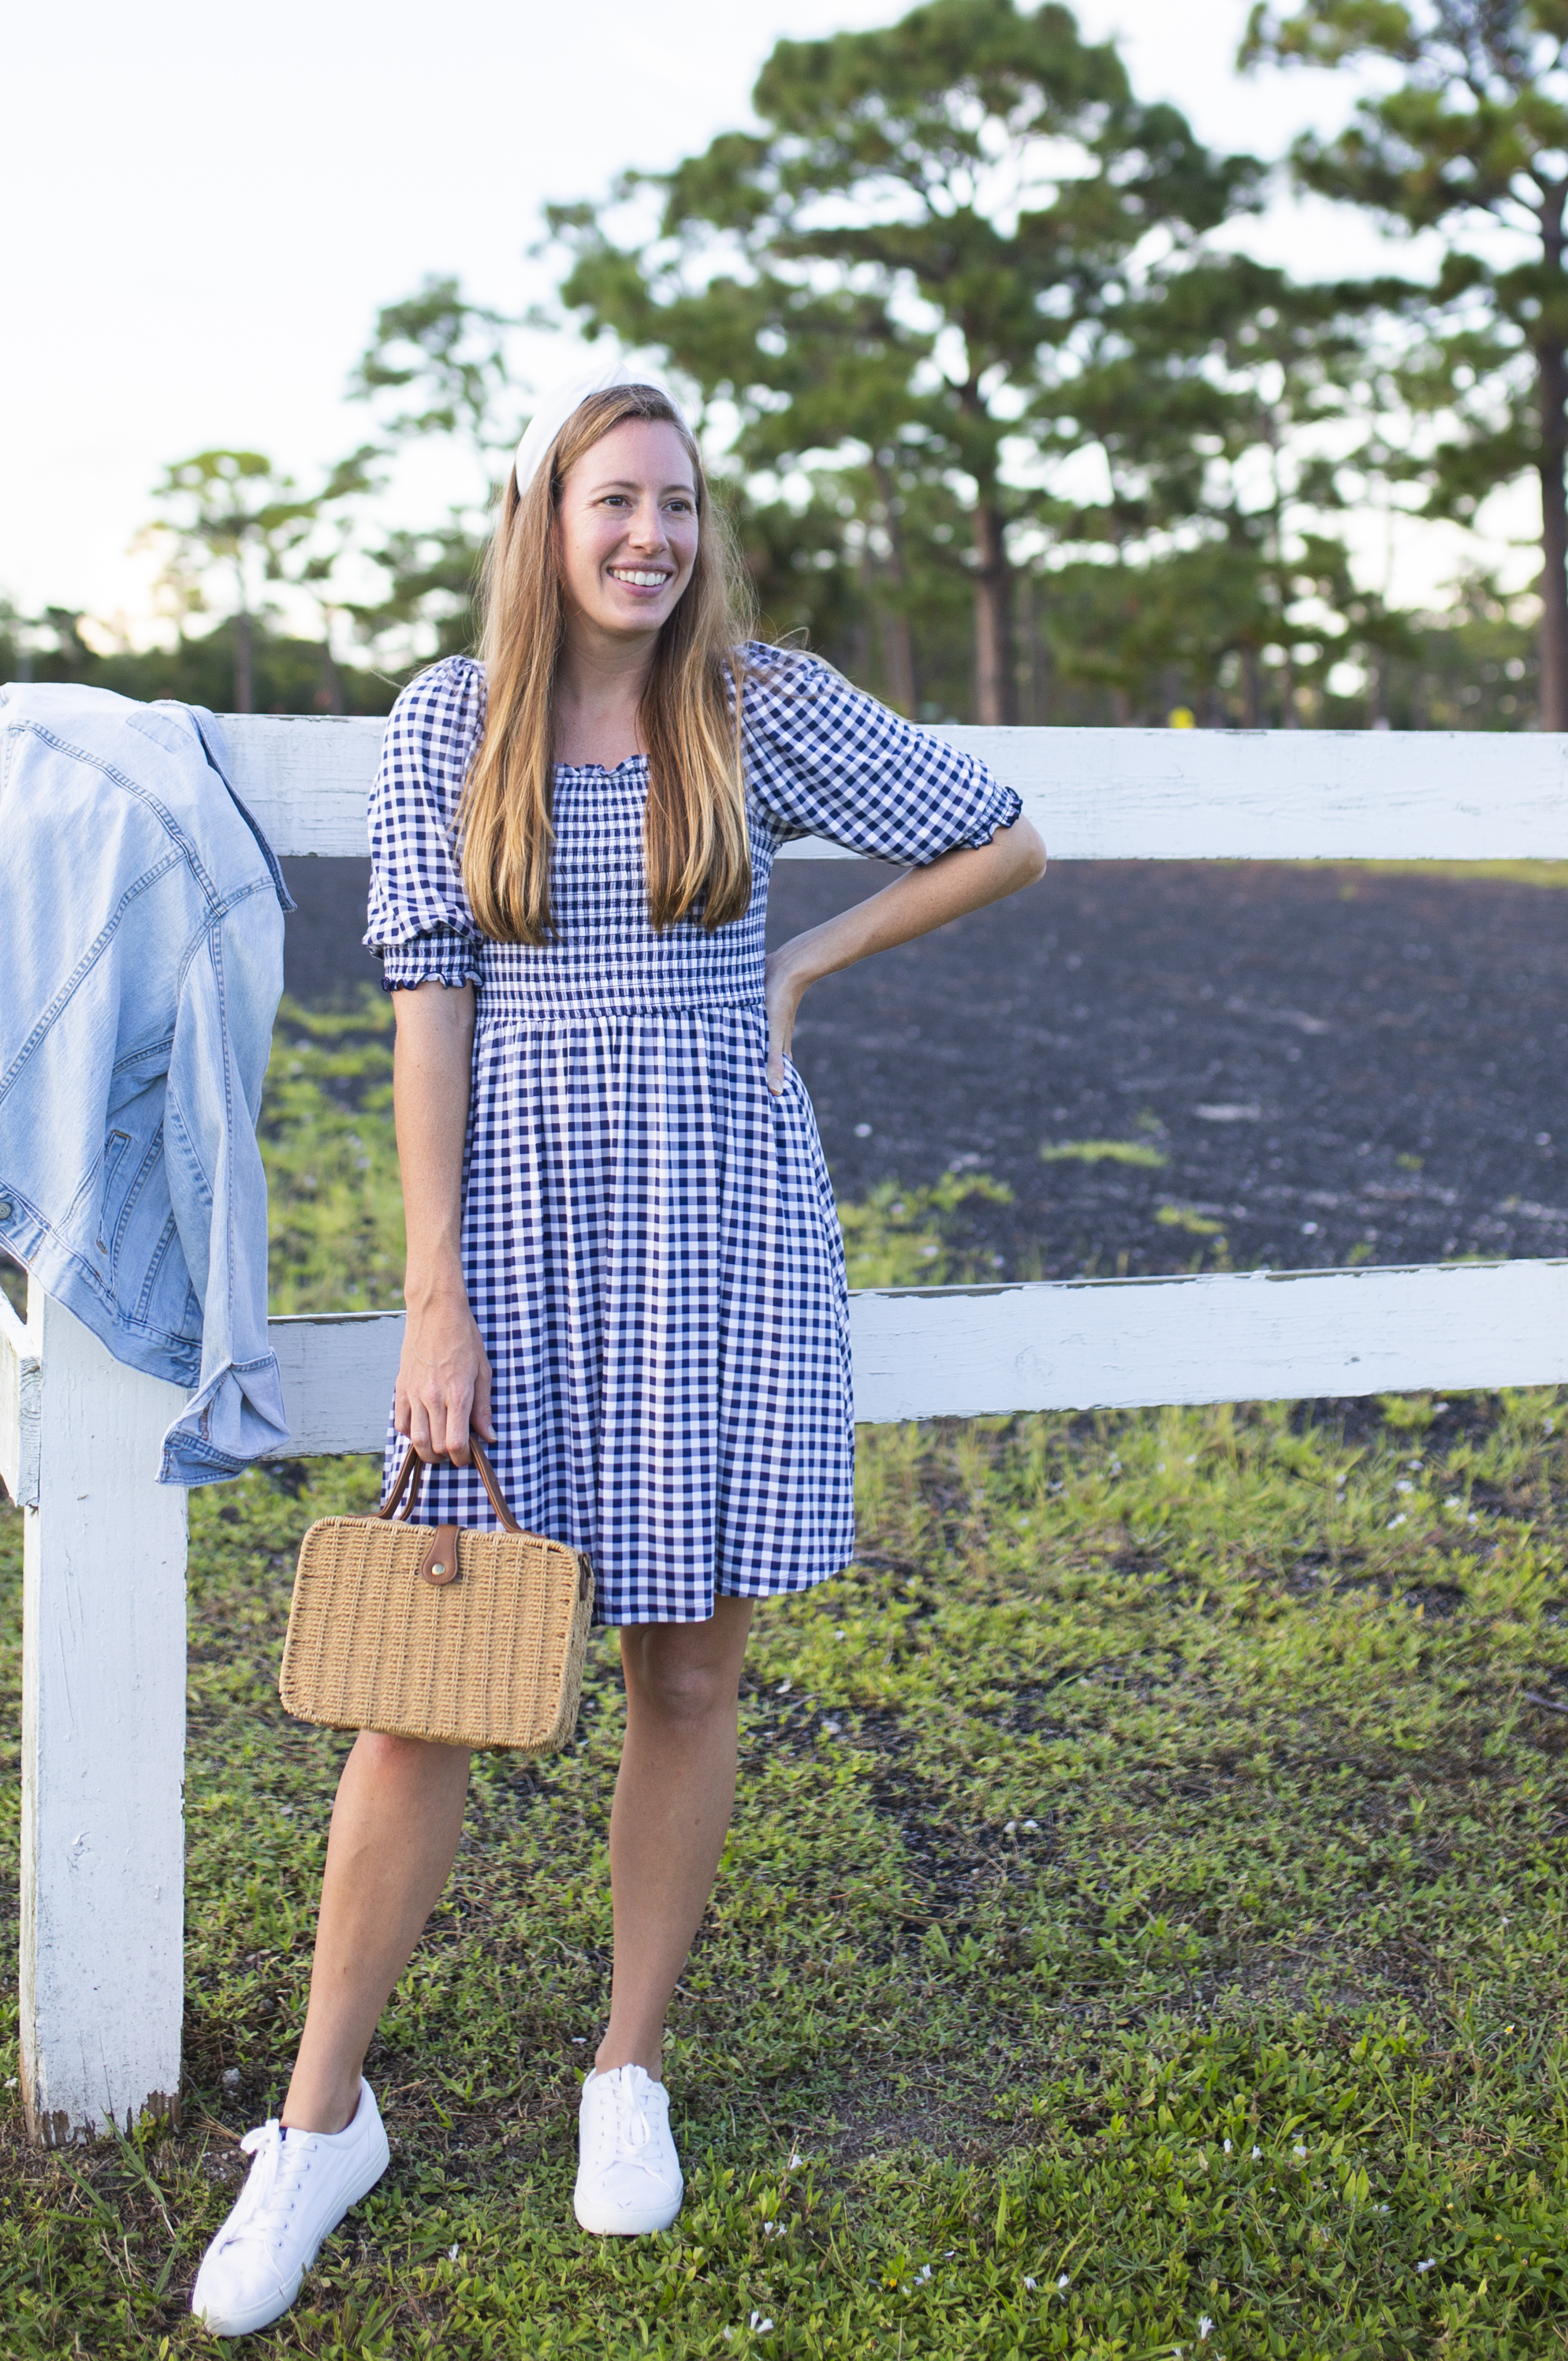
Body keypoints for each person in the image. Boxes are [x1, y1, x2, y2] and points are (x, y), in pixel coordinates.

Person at [191, 361, 1045, 2337]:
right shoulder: (449, 723)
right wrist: (432, 1295)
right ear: (543, 521)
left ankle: (624, 2069)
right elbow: (427, 1022)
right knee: (429, 1671)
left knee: (689, 1668)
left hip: (728, 1234)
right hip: (517, 1245)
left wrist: (807, 957)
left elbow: (997, 833)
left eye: (675, 504)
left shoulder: (755, 708)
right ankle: (321, 2121)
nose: (650, 536)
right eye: (612, 504)